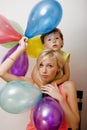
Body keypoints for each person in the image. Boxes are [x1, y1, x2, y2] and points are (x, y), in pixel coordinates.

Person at [0, 37, 79, 130]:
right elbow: (2, 73)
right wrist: (20, 49)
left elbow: (74, 126)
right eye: (41, 65)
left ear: (58, 68)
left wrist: (60, 99)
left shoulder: (67, 87)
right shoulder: (33, 85)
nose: (44, 70)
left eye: (50, 66)